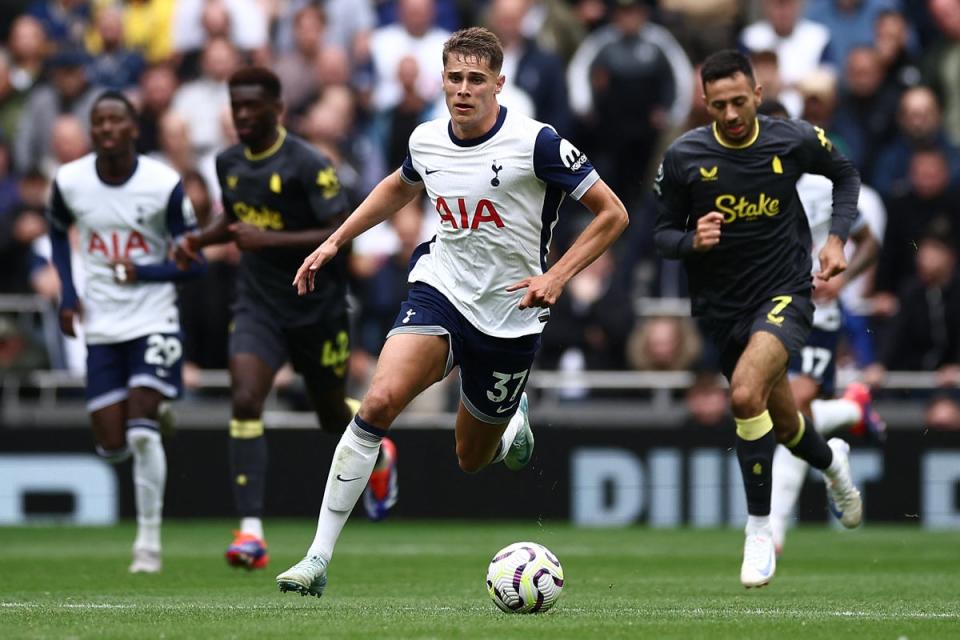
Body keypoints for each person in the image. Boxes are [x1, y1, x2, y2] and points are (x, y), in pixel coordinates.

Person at [276, 26, 629, 598]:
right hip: (440, 287)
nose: (463, 90)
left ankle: (512, 417)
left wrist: (557, 277)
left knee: (471, 458)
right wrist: (335, 241)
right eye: (455, 78)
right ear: (442, 80)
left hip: (511, 313)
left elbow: (613, 214)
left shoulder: (536, 142)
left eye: (475, 79)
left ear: (498, 83)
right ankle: (317, 559)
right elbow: (399, 186)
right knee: (379, 401)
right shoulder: (426, 139)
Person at [653, 50, 864, 589]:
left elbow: (844, 173)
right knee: (789, 425)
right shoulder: (683, 157)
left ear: (758, 95)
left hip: (784, 293)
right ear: (705, 102)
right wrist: (691, 240)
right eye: (718, 104)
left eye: (738, 102)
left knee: (746, 395)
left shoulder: (790, 138)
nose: (729, 114)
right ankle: (833, 462)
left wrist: (836, 240)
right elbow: (660, 235)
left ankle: (759, 529)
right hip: (722, 310)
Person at [173, 67, 397, 571]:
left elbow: (339, 231)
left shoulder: (308, 163)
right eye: (237, 108)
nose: (244, 116)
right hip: (257, 303)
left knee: (326, 414)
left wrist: (266, 240)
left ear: (277, 110)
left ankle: (380, 455)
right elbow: (234, 222)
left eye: (254, 107)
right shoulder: (228, 163)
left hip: (317, 308)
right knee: (247, 396)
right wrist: (197, 241)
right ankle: (250, 533)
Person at [47, 90, 205, 573]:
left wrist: (145, 273)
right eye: (99, 122)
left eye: (117, 121)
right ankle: (156, 413)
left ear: (134, 128)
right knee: (112, 444)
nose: (108, 129)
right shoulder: (69, 181)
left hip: (154, 319)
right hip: (103, 325)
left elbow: (193, 264)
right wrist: (68, 295)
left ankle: (148, 546)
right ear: (92, 131)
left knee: (138, 433)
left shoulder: (163, 183)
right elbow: (56, 231)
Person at [758, 100, 885, 555]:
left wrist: (843, 279)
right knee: (782, 412)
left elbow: (869, 240)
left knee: (793, 403)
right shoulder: (738, 185)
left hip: (816, 312)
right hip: (765, 310)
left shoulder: (816, 184)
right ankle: (852, 411)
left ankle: (772, 530)